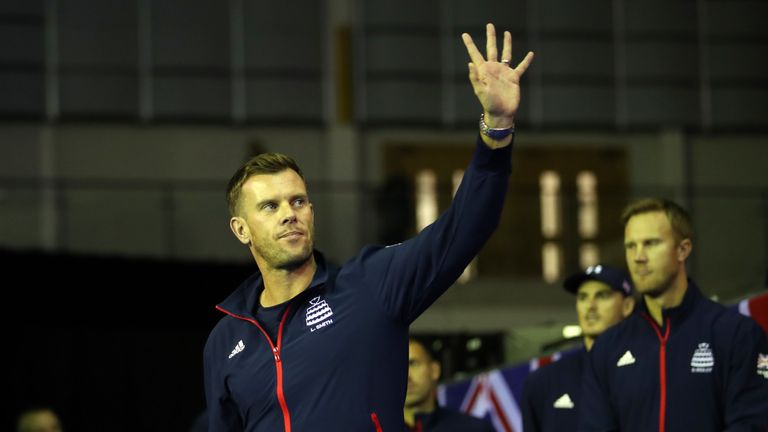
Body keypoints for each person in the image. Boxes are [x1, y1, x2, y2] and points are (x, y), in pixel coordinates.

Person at [203, 23, 535, 431]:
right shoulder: (225, 341)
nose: (290, 213)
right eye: (270, 206)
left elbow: (465, 228)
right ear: (241, 229)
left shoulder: (370, 284)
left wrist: (496, 128)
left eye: (298, 201)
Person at [578, 198, 768, 431]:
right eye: (631, 246)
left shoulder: (737, 334)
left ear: (683, 250)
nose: (638, 257)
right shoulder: (608, 348)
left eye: (651, 243)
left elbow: (751, 424)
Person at [521, 264, 635, 432]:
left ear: (627, 306)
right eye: (582, 297)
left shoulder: (648, 372)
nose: (590, 306)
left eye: (602, 296)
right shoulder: (543, 382)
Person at [405, 337, 495, 432]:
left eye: (413, 364)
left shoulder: (473, 429)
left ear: (435, 370)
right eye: (396, 367)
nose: (406, 376)